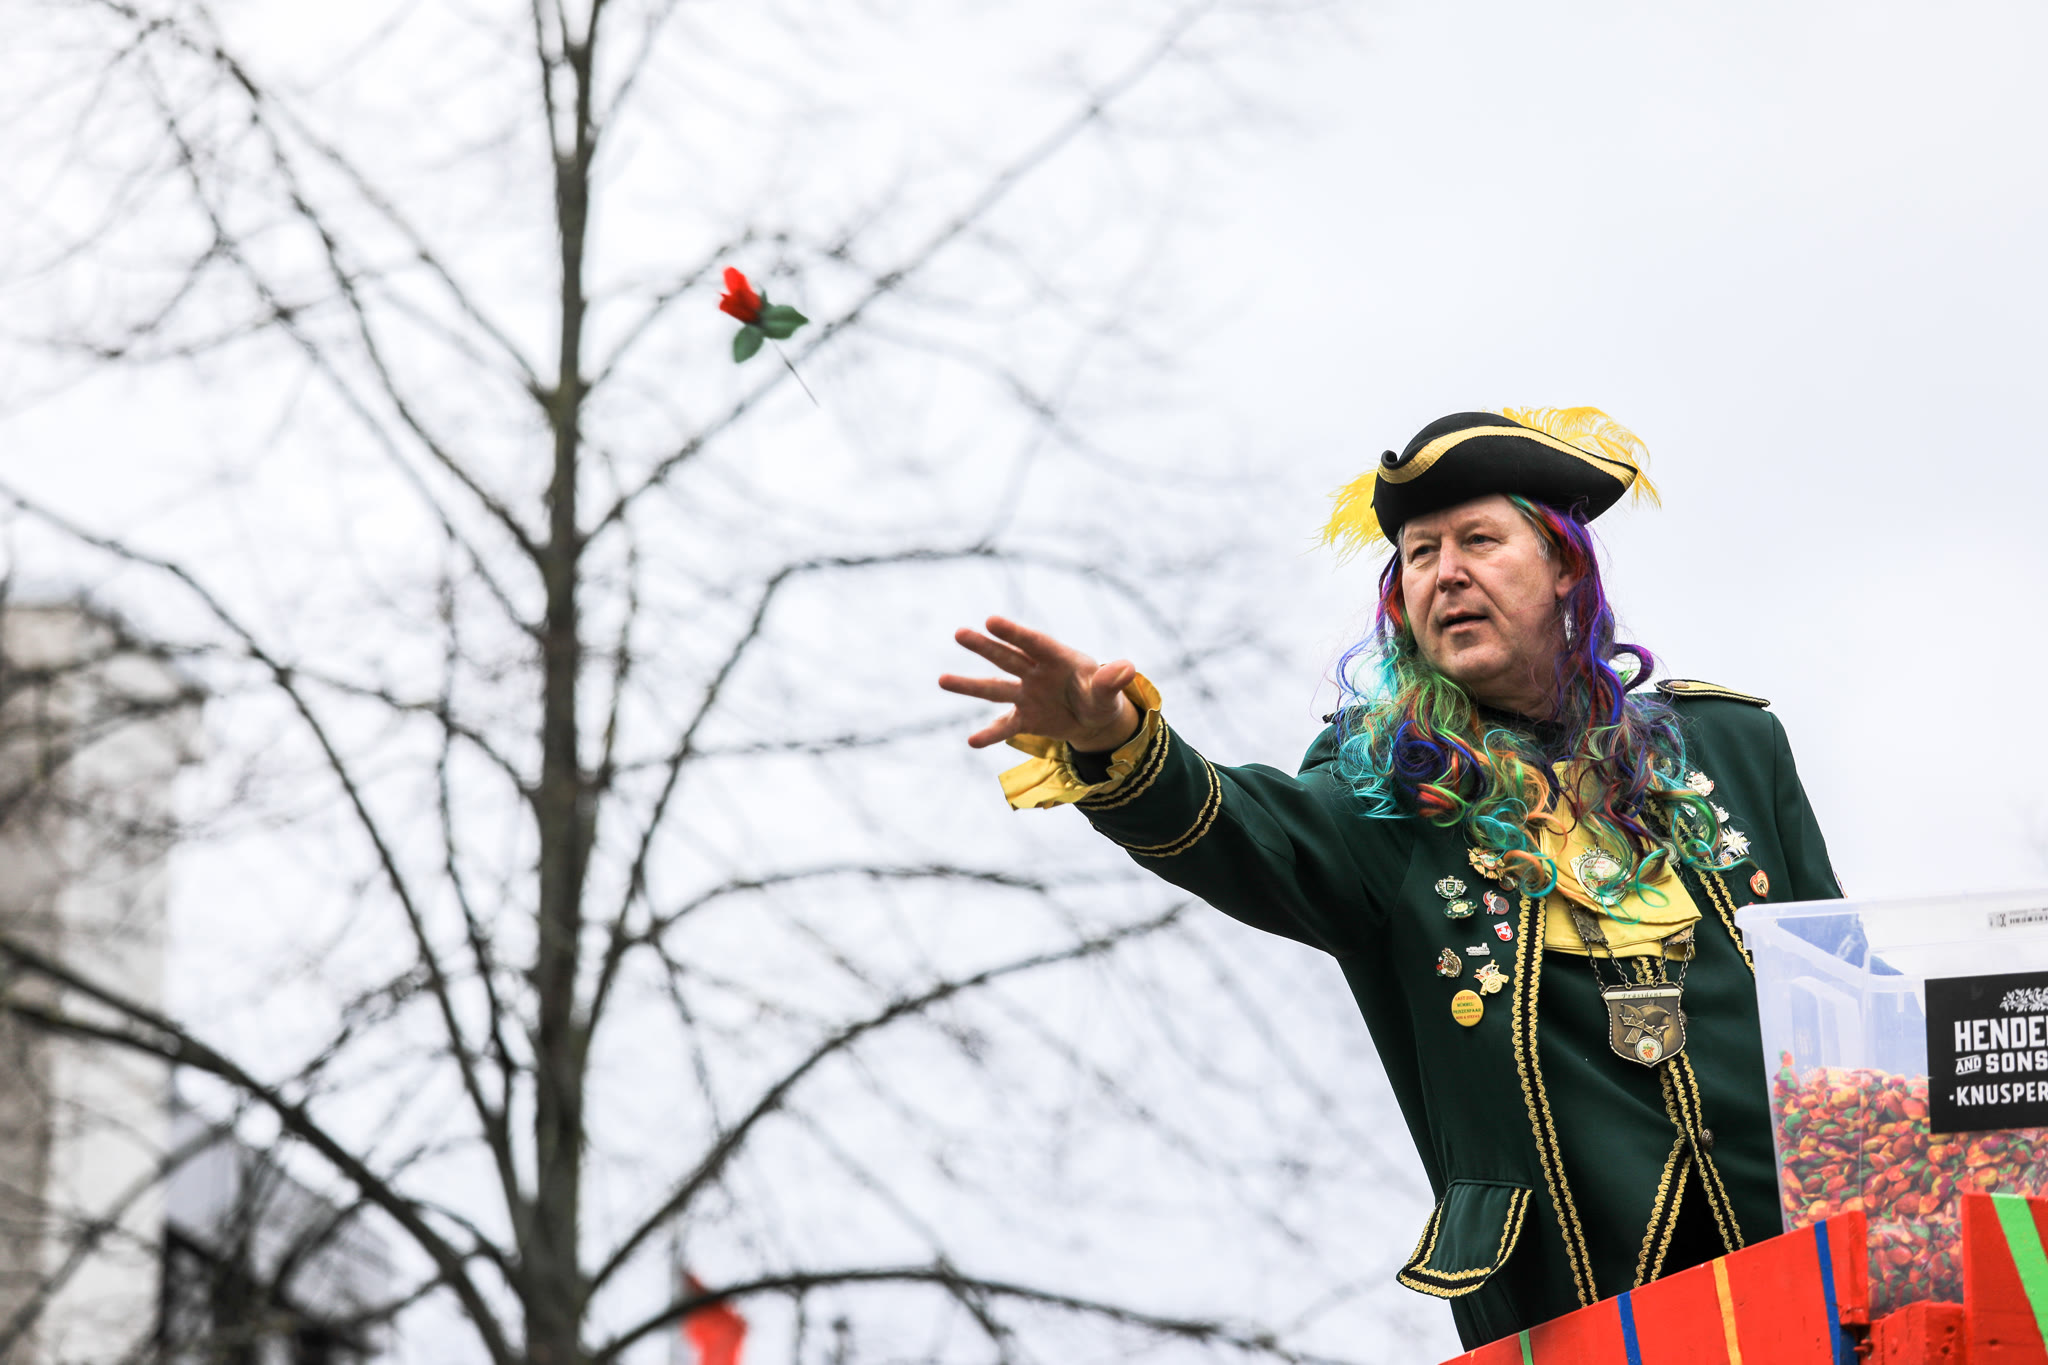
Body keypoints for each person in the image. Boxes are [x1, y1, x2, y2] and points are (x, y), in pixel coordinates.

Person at [937, 408, 1842, 1348]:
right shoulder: (1387, 794)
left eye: (1479, 540)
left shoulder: (1735, 748)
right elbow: (1244, 829)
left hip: (1808, 1275)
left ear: (1565, 566)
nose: (1445, 573)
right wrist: (1117, 741)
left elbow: (1846, 997)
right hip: (1569, 1316)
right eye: (1419, 554)